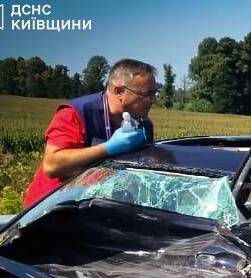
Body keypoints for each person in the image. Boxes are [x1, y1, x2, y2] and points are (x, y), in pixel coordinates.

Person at [24, 59, 157, 207]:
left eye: (154, 93)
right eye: (146, 94)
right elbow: (52, 166)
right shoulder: (76, 113)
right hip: (50, 208)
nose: (153, 100)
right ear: (119, 92)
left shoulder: (144, 125)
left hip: (95, 205)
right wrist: (107, 149)